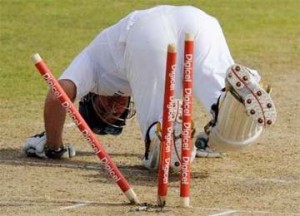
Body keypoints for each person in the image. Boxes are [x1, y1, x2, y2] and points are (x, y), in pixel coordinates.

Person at [23, 5, 277, 172]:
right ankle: (233, 103)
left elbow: (58, 94)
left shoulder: (91, 65)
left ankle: (164, 137)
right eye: (115, 113)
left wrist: (53, 146)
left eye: (104, 107)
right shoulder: (111, 65)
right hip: (196, 19)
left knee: (159, 147)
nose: (114, 106)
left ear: (91, 96)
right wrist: (210, 141)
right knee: (231, 131)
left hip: (145, 34)